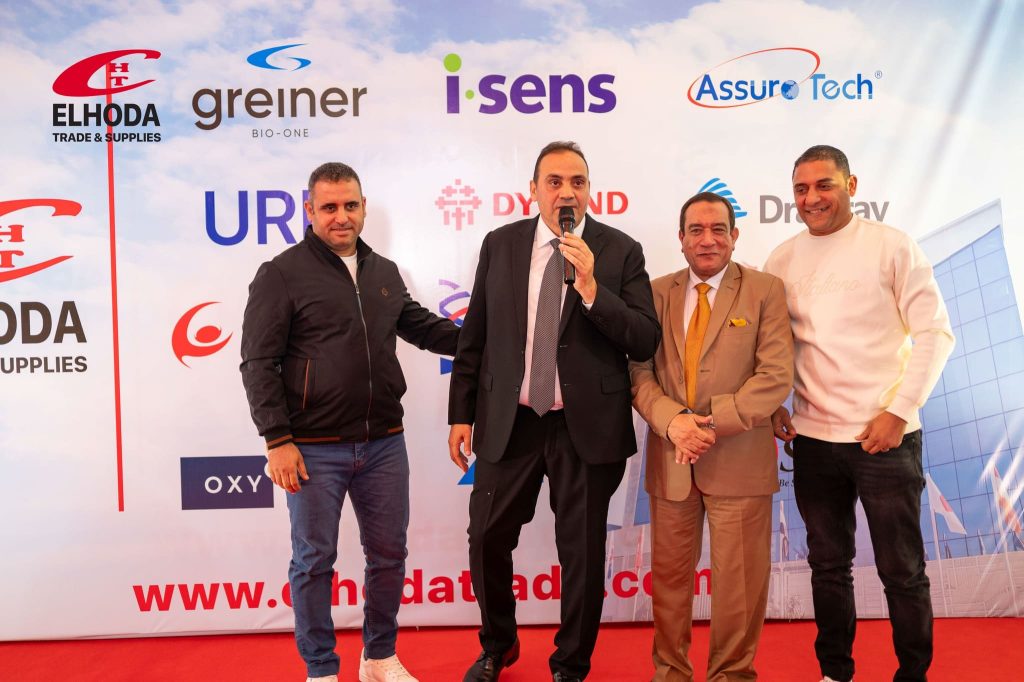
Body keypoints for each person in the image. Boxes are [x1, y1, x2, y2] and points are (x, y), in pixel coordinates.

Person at [447, 141, 660, 682]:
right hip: (511, 420)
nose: (567, 192)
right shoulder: (500, 245)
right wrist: (460, 414)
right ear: (535, 190)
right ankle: (498, 646)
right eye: (555, 181)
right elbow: (476, 336)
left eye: (577, 182)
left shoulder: (620, 250)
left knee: (582, 554)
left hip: (584, 427)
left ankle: (570, 665)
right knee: (486, 537)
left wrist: (592, 289)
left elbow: (644, 338)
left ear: (590, 190)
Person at [240, 162, 460, 682]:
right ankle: (320, 669)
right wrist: (277, 439)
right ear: (309, 210)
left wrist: (491, 340)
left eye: (350, 205)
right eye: (330, 207)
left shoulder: (383, 272)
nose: (341, 217)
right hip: (311, 448)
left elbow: (423, 328)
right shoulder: (281, 274)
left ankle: (379, 658)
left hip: (384, 443)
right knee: (314, 560)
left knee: (389, 556)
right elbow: (257, 362)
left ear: (363, 207)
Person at [764, 145, 954, 682]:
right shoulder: (781, 259)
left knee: (902, 570)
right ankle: (835, 672)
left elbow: (935, 334)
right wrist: (775, 401)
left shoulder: (892, 246)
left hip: (885, 439)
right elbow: (772, 344)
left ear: (851, 186)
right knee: (828, 567)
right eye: (801, 189)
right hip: (813, 441)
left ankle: (912, 674)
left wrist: (898, 411)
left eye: (823, 185)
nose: (811, 198)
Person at [630, 191, 793, 681]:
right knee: (669, 583)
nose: (708, 240)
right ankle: (670, 674)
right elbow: (638, 372)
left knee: (740, 586)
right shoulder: (654, 293)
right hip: (672, 460)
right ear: (681, 239)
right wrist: (673, 421)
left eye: (718, 229)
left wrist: (709, 425)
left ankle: (732, 675)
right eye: (696, 230)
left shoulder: (765, 290)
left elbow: (775, 375)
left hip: (739, 459)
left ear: (734, 236)